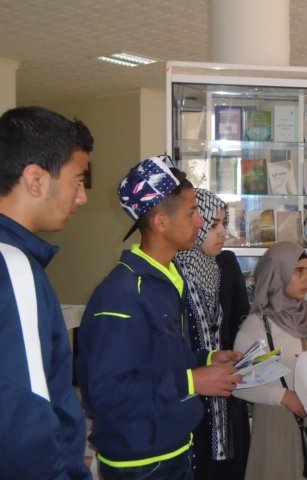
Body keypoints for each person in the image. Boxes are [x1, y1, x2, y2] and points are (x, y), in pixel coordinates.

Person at [76, 155, 243, 480]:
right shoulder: (123, 294)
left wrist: (206, 359)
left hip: (174, 448)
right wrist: (193, 381)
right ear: (161, 222)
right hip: (141, 463)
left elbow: (158, 361)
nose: (200, 222)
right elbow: (106, 393)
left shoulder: (168, 279)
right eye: (192, 212)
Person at [0, 106, 94, 479]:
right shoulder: (13, 267)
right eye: (78, 180)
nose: (82, 197)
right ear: (36, 180)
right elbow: (26, 414)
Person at [233, 241, 307, 480]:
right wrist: (284, 396)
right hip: (277, 422)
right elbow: (238, 383)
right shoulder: (258, 325)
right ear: (277, 274)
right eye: (298, 271)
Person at [174, 189, 251, 480]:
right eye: (214, 224)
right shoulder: (174, 270)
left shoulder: (226, 265)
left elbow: (240, 322)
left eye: (224, 223)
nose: (222, 232)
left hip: (227, 391)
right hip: (190, 393)